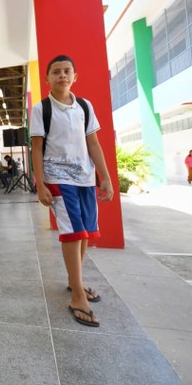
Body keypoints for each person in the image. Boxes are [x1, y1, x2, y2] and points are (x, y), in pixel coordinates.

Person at [30, 54, 113, 328]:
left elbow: (94, 144)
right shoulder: (42, 109)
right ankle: (78, 295)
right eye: (56, 72)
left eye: (67, 71)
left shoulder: (85, 107)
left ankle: (74, 281)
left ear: (74, 76)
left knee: (86, 231)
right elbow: (38, 147)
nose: (62, 75)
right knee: (73, 232)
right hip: (58, 179)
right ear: (47, 79)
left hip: (86, 178)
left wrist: (106, 177)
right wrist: (40, 184)